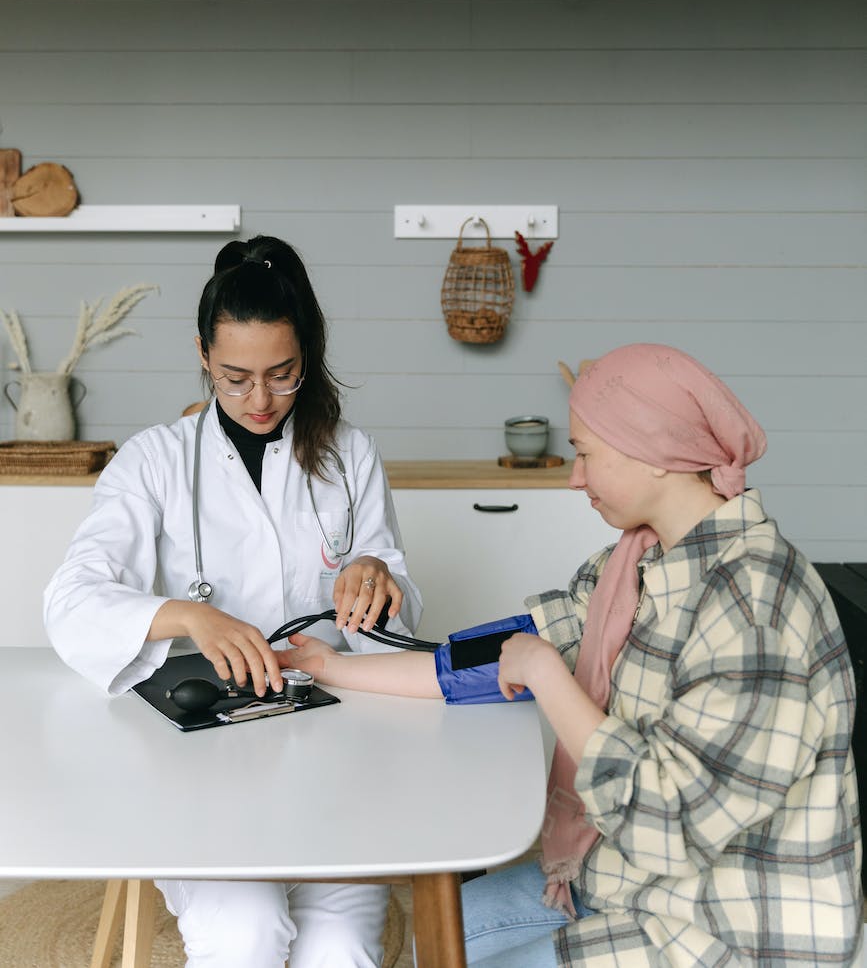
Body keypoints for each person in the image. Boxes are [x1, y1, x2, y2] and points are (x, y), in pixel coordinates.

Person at [286, 343, 863, 967]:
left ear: (658, 453)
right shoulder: (634, 563)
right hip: (627, 879)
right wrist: (335, 667)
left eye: (586, 453)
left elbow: (670, 824)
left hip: (728, 923)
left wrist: (546, 676)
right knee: (439, 935)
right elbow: (496, 652)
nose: (574, 476)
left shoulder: (755, 604)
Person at [44, 234, 423, 968]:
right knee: (243, 936)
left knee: (339, 946)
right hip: (197, 757)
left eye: (282, 376)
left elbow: (397, 617)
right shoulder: (152, 459)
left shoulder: (350, 455)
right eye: (235, 377)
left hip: (335, 744)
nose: (259, 400)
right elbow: (73, 599)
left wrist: (377, 576)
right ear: (201, 356)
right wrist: (187, 614)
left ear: (305, 355)